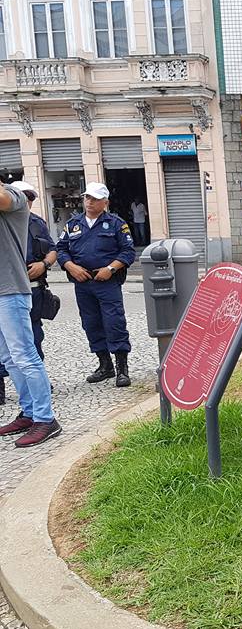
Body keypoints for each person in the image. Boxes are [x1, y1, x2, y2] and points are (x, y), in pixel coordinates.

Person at [56, 182, 135, 388]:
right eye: (87, 198)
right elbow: (62, 249)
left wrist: (110, 269)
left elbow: (127, 252)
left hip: (107, 281)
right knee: (91, 323)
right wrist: (71, 267)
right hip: (82, 282)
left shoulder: (117, 224)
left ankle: (122, 369)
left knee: (114, 322)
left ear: (105, 202)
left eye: (94, 199)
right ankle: (105, 365)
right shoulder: (73, 224)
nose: (89, 202)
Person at [0, 182, 59, 447]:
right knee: (9, 358)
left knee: (25, 356)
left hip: (11, 290)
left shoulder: (13, 196)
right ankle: (29, 413)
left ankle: (46, 419)